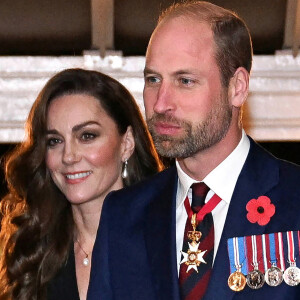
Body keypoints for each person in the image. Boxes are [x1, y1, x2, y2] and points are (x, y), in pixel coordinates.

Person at [88, 1, 300, 300]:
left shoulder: (294, 199)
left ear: (237, 87)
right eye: (153, 80)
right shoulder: (122, 217)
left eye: (185, 81)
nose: (160, 104)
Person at [0, 68, 163, 300]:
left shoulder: (167, 241)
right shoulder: (35, 252)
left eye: (87, 136)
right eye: (55, 141)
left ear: (126, 143)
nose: (69, 156)